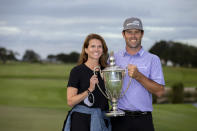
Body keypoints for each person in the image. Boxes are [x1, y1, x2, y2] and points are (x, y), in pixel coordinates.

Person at [111, 17, 165, 131]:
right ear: (123, 34)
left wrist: (138, 76)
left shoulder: (153, 59)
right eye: (129, 32)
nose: (133, 36)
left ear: (142, 34)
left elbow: (159, 91)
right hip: (119, 119)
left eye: (137, 32)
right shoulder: (113, 58)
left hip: (143, 120)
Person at [62, 33, 111, 131]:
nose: (96, 49)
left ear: (103, 50)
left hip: (102, 120)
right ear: (86, 50)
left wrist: (108, 83)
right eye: (92, 46)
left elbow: (112, 97)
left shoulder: (107, 71)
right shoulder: (77, 71)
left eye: (99, 46)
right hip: (81, 121)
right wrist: (90, 89)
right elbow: (70, 101)